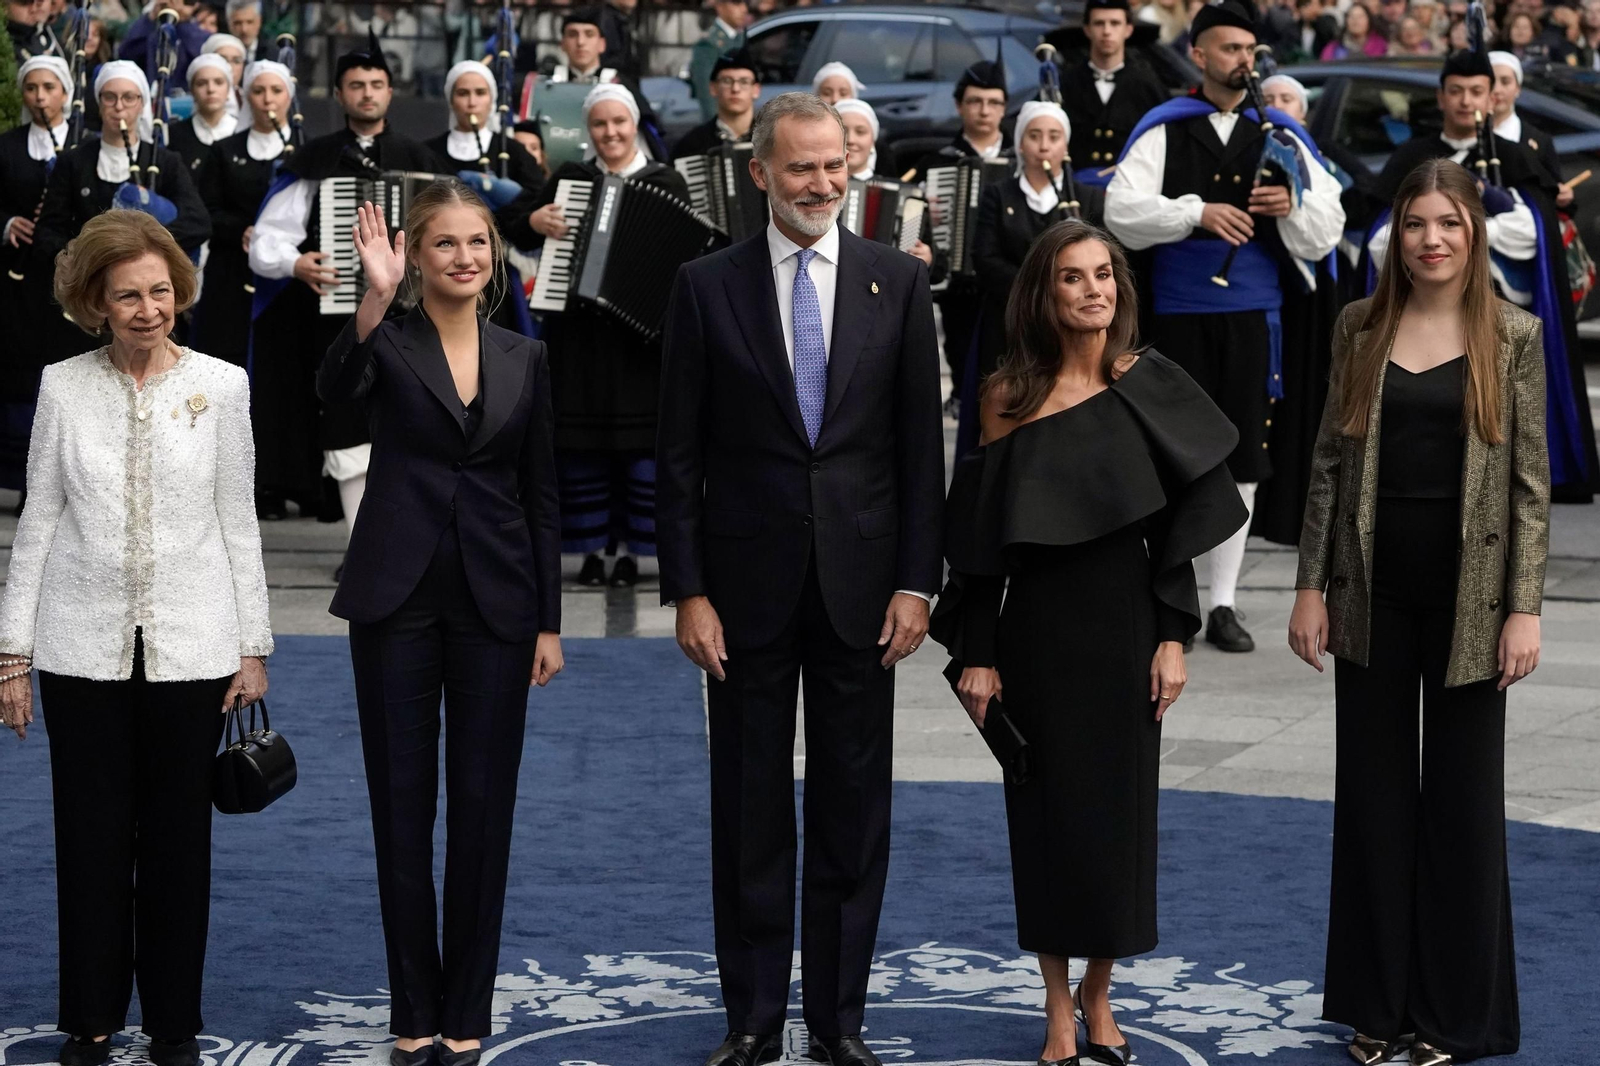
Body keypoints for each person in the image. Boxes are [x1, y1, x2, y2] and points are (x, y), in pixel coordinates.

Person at [658, 92, 944, 1066]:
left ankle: (838, 1020)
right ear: (759, 174)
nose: (820, 183)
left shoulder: (897, 284)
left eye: (833, 166)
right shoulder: (704, 287)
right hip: (740, 596)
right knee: (747, 810)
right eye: (799, 168)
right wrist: (688, 590)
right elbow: (678, 454)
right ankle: (750, 1019)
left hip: (865, 591)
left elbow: (918, 455)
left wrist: (918, 582)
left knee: (852, 810)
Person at [932, 219, 1245, 1066]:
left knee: (1117, 824)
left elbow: (1185, 527)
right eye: (1073, 277)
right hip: (1034, 635)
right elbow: (982, 544)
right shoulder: (1005, 398)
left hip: (1127, 630)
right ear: (1045, 292)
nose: (1094, 290)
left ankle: (1101, 994)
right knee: (1042, 823)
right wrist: (982, 652)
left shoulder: (1151, 382)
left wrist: (1175, 636)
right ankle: (1055, 1006)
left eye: (1105, 274)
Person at [1289, 158, 1548, 1066]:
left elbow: (1528, 489)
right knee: (1374, 799)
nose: (1431, 239)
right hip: (1371, 597)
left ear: (1473, 235)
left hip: (1473, 603)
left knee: (1464, 808)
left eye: (1448, 223)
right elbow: (1325, 463)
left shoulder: (1512, 334)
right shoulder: (1361, 324)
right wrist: (1310, 586)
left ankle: (1452, 1016)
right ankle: (1375, 1005)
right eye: (1414, 225)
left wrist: (1524, 608)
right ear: (1394, 236)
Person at [0, 209, 272, 1066]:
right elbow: (37, 523)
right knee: (88, 844)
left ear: (180, 292)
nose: (148, 309)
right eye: (128, 296)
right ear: (95, 302)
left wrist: (253, 644)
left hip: (196, 648)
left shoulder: (223, 385)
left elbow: (239, 522)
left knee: (179, 850)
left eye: (160, 291)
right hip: (81, 650)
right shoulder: (61, 385)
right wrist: (12, 656)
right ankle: (89, 1020)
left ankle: (174, 1027)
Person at [317, 184, 562, 1066]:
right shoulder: (389, 341)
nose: (466, 257)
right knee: (401, 810)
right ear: (417, 256)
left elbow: (542, 498)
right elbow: (333, 395)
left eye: (480, 243)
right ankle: (411, 1008)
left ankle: (468, 1010)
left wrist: (547, 621)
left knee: (483, 813)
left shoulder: (525, 357)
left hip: (499, 606)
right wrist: (372, 300)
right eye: (447, 244)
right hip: (395, 599)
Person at [1104, 0, 1344, 654]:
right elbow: (1122, 212)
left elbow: (1328, 228)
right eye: (1229, 49)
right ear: (1201, 56)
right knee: (1171, 453)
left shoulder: (1282, 134)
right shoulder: (1166, 127)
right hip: (1178, 316)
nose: (1242, 59)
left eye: (1248, 49)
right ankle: (1167, 591)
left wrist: (1292, 205)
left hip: (1253, 319)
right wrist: (1195, 213)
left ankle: (1224, 603)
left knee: (1240, 456)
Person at [1371, 47, 1598, 501]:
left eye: (1476, 91)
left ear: (1493, 96)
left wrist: (1477, 223)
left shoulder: (1514, 156)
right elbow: (1384, 239)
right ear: (1440, 97)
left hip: (1500, 304)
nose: (1465, 100)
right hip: (1426, 310)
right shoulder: (1414, 157)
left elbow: (1535, 234)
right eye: (1455, 91)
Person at [246, 33, 445, 526]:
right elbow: (270, 237)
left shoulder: (419, 158)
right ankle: (362, 544)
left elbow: (450, 230)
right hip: (340, 320)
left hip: (414, 319)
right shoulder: (316, 159)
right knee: (347, 426)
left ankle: (409, 537)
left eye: (376, 84)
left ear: (389, 92)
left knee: (412, 422)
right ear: (339, 95)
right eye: (356, 85)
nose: (367, 93)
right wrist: (297, 264)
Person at [524, 83, 688, 586]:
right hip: (581, 340)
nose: (610, 132)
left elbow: (687, 250)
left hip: (642, 345)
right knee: (583, 453)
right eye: (599, 124)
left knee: (639, 453)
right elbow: (512, 223)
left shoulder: (666, 181)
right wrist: (535, 219)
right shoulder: (572, 178)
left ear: (634, 124)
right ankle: (591, 550)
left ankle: (633, 554)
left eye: (619, 122)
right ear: (589, 130)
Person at [0, 54, 87, 493]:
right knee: (22, 371)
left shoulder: (84, 146)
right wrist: (8, 222)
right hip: (20, 281)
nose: (39, 97)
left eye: (48, 88)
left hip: (73, 277)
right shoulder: (7, 146)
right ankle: (23, 479)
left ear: (65, 94)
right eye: (32, 88)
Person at [973, 103, 1104, 392]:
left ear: (1065, 145)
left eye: (1054, 137)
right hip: (1009, 321)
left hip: (1070, 324)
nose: (1044, 146)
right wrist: (1037, 289)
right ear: (1020, 143)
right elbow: (985, 257)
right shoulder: (998, 194)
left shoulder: (1087, 198)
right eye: (1034, 136)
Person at [35, 61, 212, 271]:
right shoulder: (74, 161)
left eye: (128, 98)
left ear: (141, 104)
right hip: (91, 278)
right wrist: (83, 255)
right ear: (99, 103)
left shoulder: (166, 162)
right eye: (110, 97)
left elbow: (198, 222)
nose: (119, 106)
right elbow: (48, 230)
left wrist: (145, 245)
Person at [905, 56, 1008, 411]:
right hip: (958, 290)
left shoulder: (1019, 161)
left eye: (994, 102)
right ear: (959, 105)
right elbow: (910, 222)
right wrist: (928, 253)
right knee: (967, 377)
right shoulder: (935, 162)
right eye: (975, 101)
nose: (984, 110)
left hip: (1008, 290)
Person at [423, 58, 547, 326]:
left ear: (492, 100)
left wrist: (512, 199)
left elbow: (539, 204)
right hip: (440, 273)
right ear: (450, 99)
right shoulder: (428, 152)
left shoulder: (513, 152)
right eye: (463, 93)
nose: (471, 102)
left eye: (480, 93)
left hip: (499, 275)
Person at [190, 58, 290, 368]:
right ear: (245, 96)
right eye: (258, 90)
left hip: (286, 279)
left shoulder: (304, 151)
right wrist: (240, 229)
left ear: (289, 96)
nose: (267, 99)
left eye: (276, 90)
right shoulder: (224, 150)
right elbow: (204, 211)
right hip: (230, 272)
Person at [1061, 0, 1167, 172]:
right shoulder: (1067, 82)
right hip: (1076, 188)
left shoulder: (1146, 84)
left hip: (1131, 185)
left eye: (1115, 23)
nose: (1107, 31)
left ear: (1128, 29)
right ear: (1087, 29)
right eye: (1099, 23)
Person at [1488, 50, 1568, 205]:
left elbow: (1557, 193)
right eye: (1491, 82)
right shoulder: (1468, 136)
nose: (1497, 90)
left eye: (1505, 82)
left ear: (1518, 88)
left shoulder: (1539, 140)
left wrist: (1564, 197)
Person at [671, 48, 760, 161]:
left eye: (744, 81)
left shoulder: (770, 139)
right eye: (727, 81)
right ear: (713, 88)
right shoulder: (691, 144)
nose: (735, 89)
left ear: (756, 90)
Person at [166, 53, 238, 181]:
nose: (211, 89)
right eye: (201, 83)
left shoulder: (241, 132)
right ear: (192, 91)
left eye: (218, 82)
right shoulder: (174, 135)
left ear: (228, 90)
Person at [117, 0, 208, 85]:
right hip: (153, 90)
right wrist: (150, 18)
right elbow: (126, 54)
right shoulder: (152, 33)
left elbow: (201, 54)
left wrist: (183, 20)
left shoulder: (196, 32)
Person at [688, 0, 749, 121]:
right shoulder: (708, 44)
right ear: (720, 6)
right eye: (737, 3)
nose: (744, 9)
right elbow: (707, 95)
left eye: (745, 4)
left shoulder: (742, 38)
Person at [1321, 2, 1388, 58]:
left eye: (1360, 17)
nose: (1355, 21)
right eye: (1351, 17)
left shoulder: (1381, 46)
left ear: (1369, 21)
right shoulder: (1333, 48)